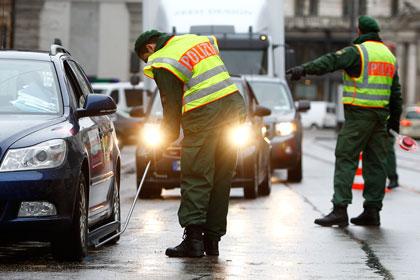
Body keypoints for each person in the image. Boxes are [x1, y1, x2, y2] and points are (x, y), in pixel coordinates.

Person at [134, 30, 246, 257]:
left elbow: (171, 115)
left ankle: (194, 241)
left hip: (205, 114)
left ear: (149, 48)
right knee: (221, 177)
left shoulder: (163, 60)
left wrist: (159, 147)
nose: (149, 63)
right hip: (234, 109)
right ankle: (212, 242)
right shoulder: (195, 40)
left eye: (146, 59)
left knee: (197, 175)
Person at [287, 16, 402, 227]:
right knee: (376, 164)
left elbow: (330, 61)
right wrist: (394, 122)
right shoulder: (389, 56)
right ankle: (372, 211)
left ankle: (340, 209)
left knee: (346, 157)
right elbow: (396, 93)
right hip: (381, 118)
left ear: (359, 31)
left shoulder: (358, 52)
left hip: (359, 115)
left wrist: (303, 70)